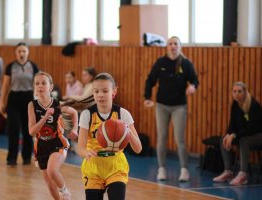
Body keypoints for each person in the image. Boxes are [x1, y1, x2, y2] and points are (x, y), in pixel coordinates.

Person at [78, 72, 142, 200]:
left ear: (114, 92)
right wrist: (86, 153)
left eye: (105, 91)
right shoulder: (87, 115)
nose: (100, 95)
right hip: (93, 166)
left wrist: (127, 130)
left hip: (116, 166)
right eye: (96, 91)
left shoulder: (122, 114)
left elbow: (138, 148)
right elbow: (80, 148)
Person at [144, 36, 199, 182]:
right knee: (161, 138)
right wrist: (147, 98)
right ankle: (161, 169)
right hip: (162, 105)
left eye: (176, 44)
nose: (173, 46)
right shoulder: (161, 63)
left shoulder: (186, 64)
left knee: (179, 139)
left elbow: (194, 79)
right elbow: (150, 80)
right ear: (167, 47)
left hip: (179, 106)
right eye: (170, 44)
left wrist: (193, 86)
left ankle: (184, 170)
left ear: (180, 46)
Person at [28, 72, 78, 200]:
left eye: (43, 83)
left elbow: (74, 113)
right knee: (50, 185)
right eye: (37, 83)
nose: (40, 86)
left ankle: (65, 193)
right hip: (41, 146)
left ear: (51, 87)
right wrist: (45, 117)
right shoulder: (32, 105)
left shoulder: (58, 104)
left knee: (52, 170)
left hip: (58, 143)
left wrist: (75, 129)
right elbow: (32, 131)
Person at [0, 42, 39, 166]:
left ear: (27, 52)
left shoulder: (33, 66)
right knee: (13, 129)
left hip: (28, 99)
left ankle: (27, 157)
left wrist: (40, 101)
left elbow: (38, 85)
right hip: (14, 99)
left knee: (28, 130)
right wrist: (1, 101)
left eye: (24, 51)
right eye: (19, 51)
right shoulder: (10, 66)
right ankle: (11, 158)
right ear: (16, 53)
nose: (21, 53)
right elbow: (5, 86)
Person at [213, 82, 262, 186]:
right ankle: (228, 172)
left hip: (258, 135)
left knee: (244, 141)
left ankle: (243, 175)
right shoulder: (235, 105)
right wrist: (228, 135)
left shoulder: (254, 105)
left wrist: (234, 136)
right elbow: (232, 124)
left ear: (245, 92)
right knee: (223, 139)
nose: (237, 94)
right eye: (234, 91)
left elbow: (251, 129)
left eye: (239, 91)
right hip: (245, 134)